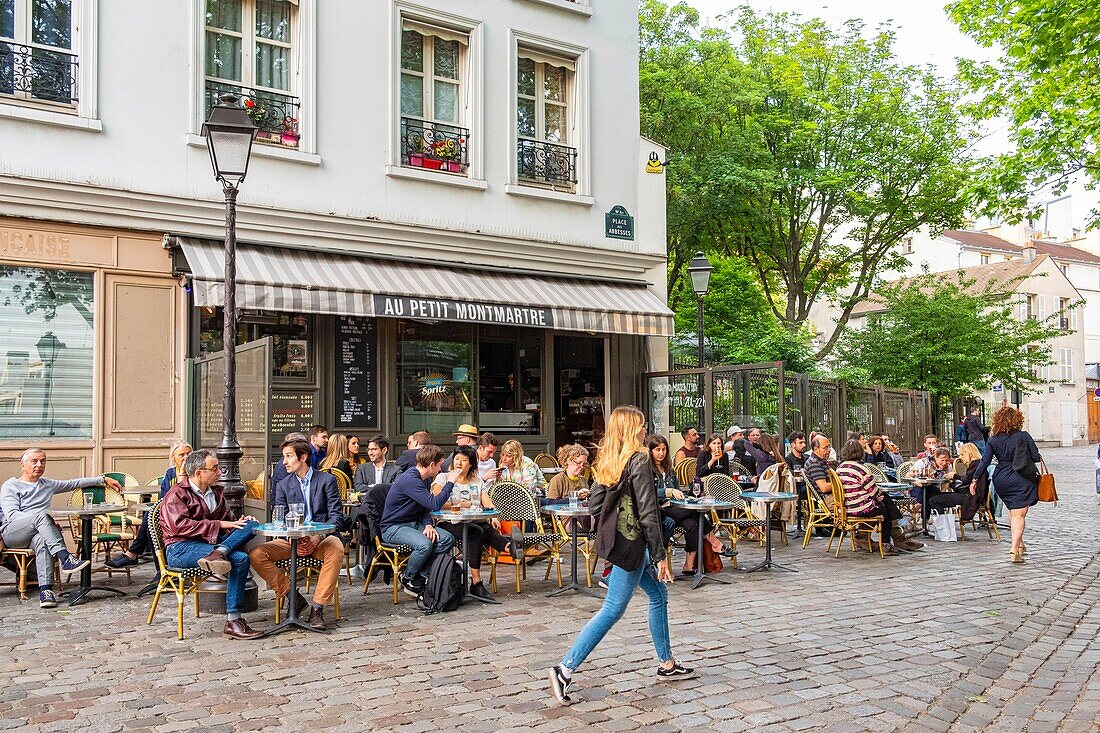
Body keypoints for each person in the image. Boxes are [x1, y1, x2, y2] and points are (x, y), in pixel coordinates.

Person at [548, 406, 695, 705]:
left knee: (658, 596)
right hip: (634, 545)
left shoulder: (609, 460)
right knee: (612, 610)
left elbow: (595, 506)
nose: (645, 430)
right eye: (641, 426)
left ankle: (666, 663)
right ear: (631, 429)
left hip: (621, 542)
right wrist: (659, 553)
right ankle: (564, 668)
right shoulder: (639, 458)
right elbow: (648, 510)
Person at [158, 448, 262, 639]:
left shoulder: (215, 493)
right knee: (240, 558)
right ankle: (234, 621)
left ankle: (219, 553)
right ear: (199, 473)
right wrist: (220, 524)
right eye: (215, 468)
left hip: (211, 545)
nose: (220, 472)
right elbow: (180, 527)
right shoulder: (176, 494)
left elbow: (230, 524)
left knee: (252, 524)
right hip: (181, 548)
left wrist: (240, 523)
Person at [0, 448, 116, 608]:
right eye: (34, 461)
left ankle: (46, 590)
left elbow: (73, 483)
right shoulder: (11, 486)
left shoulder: (47, 484)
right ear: (22, 465)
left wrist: (102, 479)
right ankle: (65, 557)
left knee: (42, 540)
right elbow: (12, 516)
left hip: (36, 533)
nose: (39, 465)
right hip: (12, 534)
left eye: (42, 461)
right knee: (43, 516)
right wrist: (40, 521)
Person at [249, 439, 345, 629]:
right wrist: (296, 538)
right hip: (292, 540)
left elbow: (336, 517)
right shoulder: (284, 485)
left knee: (336, 548)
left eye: (289, 456)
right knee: (256, 554)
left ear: (303, 457)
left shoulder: (326, 481)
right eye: (284, 457)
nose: (284, 462)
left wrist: (317, 537)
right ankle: (293, 597)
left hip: (320, 539)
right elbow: (281, 517)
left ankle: (317, 608)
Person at [432, 445, 522, 600]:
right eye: (457, 459)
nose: (459, 463)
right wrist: (462, 504)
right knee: (475, 532)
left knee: (485, 527)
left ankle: (511, 547)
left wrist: (493, 516)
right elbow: (435, 501)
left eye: (464, 460)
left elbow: (487, 502)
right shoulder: (443, 478)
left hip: (473, 521)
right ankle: (476, 582)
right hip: (448, 522)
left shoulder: (476, 480)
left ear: (471, 464)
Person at [380, 445, 458, 596]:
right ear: (431, 465)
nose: (441, 469)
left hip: (414, 524)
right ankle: (408, 577)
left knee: (447, 539)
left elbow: (425, 508)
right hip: (393, 527)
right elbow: (435, 504)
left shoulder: (425, 479)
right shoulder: (410, 479)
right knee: (424, 545)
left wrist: (428, 524)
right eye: (440, 465)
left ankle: (422, 575)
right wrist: (450, 482)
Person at [649, 435, 729, 576]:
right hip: (658, 509)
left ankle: (689, 565)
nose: (661, 453)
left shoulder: (669, 470)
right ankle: (714, 542)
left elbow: (678, 490)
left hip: (675, 508)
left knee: (692, 523)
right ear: (650, 451)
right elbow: (646, 492)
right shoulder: (647, 470)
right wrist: (665, 492)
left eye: (664, 450)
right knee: (696, 513)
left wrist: (685, 496)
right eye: (657, 450)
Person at [107, 441, 193, 569]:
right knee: (152, 518)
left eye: (188, 454)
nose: (186, 458)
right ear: (173, 458)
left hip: (188, 513)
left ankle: (136, 555)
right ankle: (155, 567)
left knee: (151, 517)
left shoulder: (196, 472)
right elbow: (165, 497)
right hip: (171, 513)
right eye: (181, 455)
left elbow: (182, 496)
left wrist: (182, 475)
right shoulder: (170, 473)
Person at [972, 405, 1041, 563]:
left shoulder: (993, 439)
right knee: (1019, 514)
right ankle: (1014, 548)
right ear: (1017, 420)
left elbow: (985, 461)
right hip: (1021, 477)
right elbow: (1036, 457)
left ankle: (1021, 544)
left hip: (1001, 477)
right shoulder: (1024, 436)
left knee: (1014, 512)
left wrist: (975, 479)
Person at [835, 440, 923, 553]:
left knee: (885, 499)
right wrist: (877, 497)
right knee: (885, 510)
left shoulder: (840, 468)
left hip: (846, 507)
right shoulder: (861, 469)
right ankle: (889, 540)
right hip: (860, 508)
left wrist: (877, 496)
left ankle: (900, 530)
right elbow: (873, 491)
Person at [927, 443, 982, 517]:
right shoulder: (978, 464)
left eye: (962, 454)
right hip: (969, 495)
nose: (960, 457)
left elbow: (968, 479)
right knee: (933, 495)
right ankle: (940, 522)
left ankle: (944, 524)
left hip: (969, 496)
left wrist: (954, 476)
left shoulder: (975, 464)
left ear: (970, 453)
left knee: (933, 501)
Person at [802, 436, 835, 510]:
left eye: (829, 447)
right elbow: (824, 488)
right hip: (827, 500)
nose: (829, 450)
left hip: (831, 497)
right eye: (825, 447)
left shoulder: (821, 461)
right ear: (816, 449)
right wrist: (841, 484)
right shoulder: (814, 463)